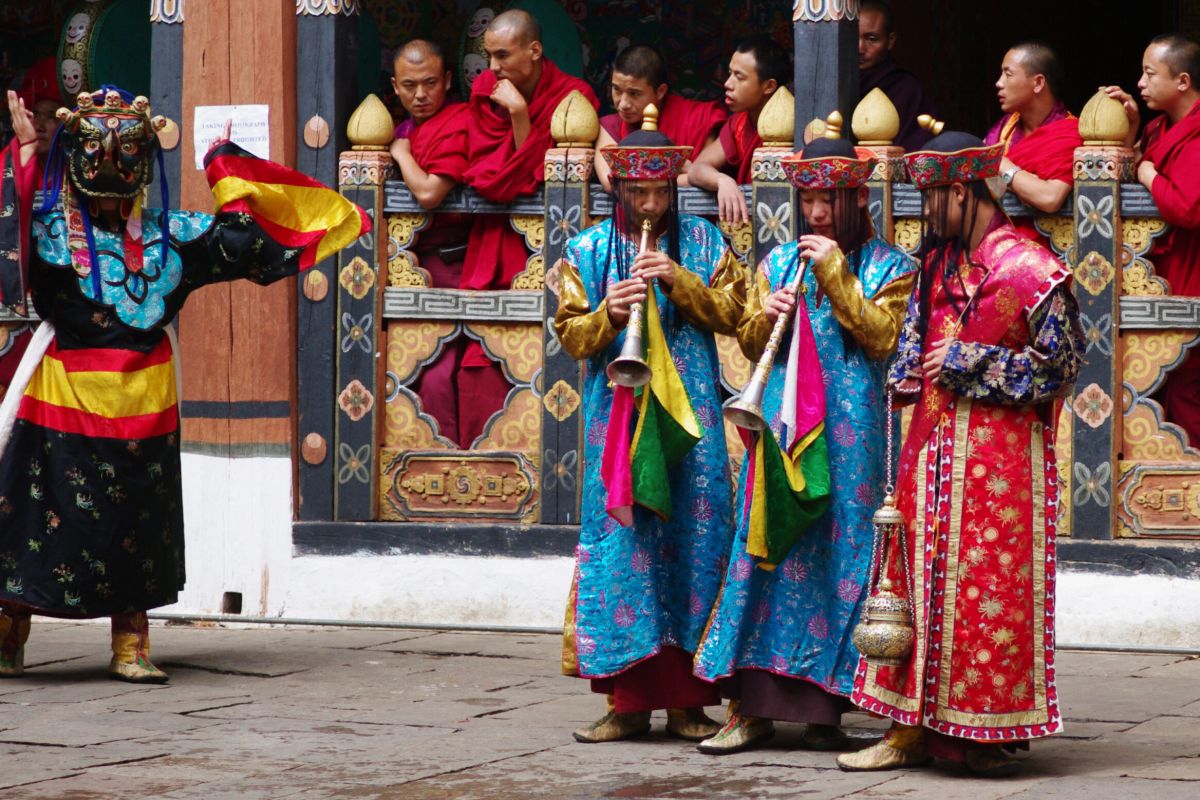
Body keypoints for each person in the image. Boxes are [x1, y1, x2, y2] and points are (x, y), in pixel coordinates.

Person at [0, 88, 367, 683]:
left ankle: (131, 643)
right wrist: (23, 153)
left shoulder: (173, 236)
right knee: (39, 521)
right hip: (63, 398)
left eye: (127, 151)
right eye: (97, 152)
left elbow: (244, 246)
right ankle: (8, 632)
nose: (112, 165)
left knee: (135, 526)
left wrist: (228, 173)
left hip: (146, 406)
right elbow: (11, 237)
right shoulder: (45, 231)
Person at [838, 125, 1083, 776]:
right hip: (932, 450)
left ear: (964, 192)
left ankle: (977, 731)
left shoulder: (1031, 268)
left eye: (934, 197)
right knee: (913, 585)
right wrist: (903, 374)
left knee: (983, 595)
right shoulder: (934, 267)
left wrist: (974, 361)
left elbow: (1061, 366)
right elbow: (915, 349)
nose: (925, 211)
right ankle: (904, 729)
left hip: (1001, 463)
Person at [693, 120, 917, 754]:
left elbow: (883, 338)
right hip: (784, 431)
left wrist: (839, 276)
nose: (817, 213)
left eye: (830, 203)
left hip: (854, 439)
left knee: (842, 555)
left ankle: (830, 708)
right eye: (809, 202)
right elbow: (748, 341)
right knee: (768, 548)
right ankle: (751, 707)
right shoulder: (777, 262)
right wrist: (761, 320)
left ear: (857, 202)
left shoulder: (891, 267)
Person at [557, 111, 745, 744]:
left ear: (673, 188)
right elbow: (568, 334)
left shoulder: (706, 244)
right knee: (627, 549)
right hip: (619, 419)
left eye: (659, 192)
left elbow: (737, 315)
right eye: (636, 193)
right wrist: (607, 314)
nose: (648, 204)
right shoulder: (585, 250)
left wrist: (682, 282)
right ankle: (626, 702)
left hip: (690, 426)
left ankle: (691, 702)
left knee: (693, 542)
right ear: (619, 191)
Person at [460, 9, 598, 447]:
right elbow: (488, 176)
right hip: (493, 239)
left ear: (534, 50)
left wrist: (521, 114)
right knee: (479, 355)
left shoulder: (575, 97)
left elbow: (530, 178)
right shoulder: (487, 92)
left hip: (552, 244)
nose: (492, 68)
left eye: (502, 55)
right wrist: (516, 113)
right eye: (488, 56)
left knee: (553, 345)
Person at [1103, 34, 1200, 446]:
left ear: (1182, 81)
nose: (1140, 84)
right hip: (1158, 273)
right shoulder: (1161, 126)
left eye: (1149, 74)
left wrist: (1146, 173)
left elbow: (1187, 207)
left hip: (1191, 271)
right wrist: (1132, 132)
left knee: (1185, 386)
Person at [389, 39, 473, 445]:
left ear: (448, 81)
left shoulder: (459, 122)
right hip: (408, 264)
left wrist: (401, 154)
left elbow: (428, 194)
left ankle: (458, 456)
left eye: (429, 83)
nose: (420, 95)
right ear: (394, 86)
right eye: (409, 86)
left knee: (445, 369)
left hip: (455, 264)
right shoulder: (407, 125)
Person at [594, 45, 727, 191]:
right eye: (617, 90)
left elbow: (707, 175)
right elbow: (611, 183)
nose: (623, 104)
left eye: (634, 94)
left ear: (660, 92)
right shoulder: (610, 126)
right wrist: (688, 175)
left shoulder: (698, 118)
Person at [688, 36, 789, 225]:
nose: (727, 83)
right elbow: (697, 168)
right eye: (730, 73)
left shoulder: (794, 124)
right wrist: (722, 181)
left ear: (769, 86)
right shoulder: (739, 124)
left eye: (739, 76)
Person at [988, 43, 1081, 229]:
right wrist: (1025, 185)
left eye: (1008, 74)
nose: (999, 83)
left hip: (1051, 244)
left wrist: (1001, 165)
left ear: (1038, 83)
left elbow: (1049, 198)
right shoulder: (1005, 128)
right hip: (1000, 239)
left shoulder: (1070, 133)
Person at [857, 0, 935, 153]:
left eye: (872, 39)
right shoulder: (831, 83)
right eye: (852, 37)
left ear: (890, 41)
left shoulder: (906, 89)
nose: (860, 48)